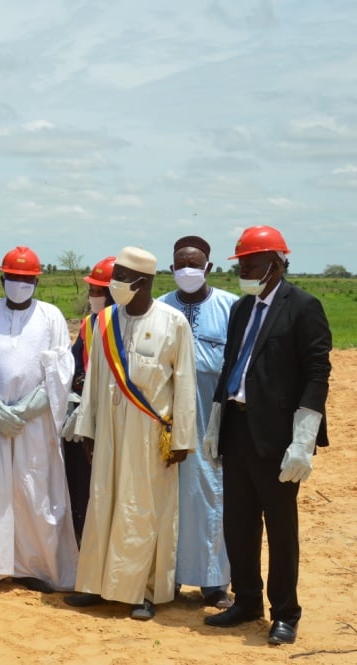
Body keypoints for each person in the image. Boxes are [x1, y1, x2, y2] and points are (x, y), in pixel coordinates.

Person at [202, 226, 331, 646]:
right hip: (238, 431)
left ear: (276, 263)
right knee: (237, 525)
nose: (244, 271)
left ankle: (285, 612)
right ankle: (247, 601)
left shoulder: (304, 307)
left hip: (278, 439)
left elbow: (316, 373)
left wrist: (304, 440)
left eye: (251, 264)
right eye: (241, 265)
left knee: (280, 528)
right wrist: (215, 421)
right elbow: (231, 369)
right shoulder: (241, 308)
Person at [64, 246, 197, 621]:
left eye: (122, 277)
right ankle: (94, 584)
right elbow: (93, 384)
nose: (115, 284)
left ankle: (142, 590)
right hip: (107, 430)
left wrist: (182, 438)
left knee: (142, 509)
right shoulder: (104, 321)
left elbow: (185, 383)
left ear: (144, 282)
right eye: (115, 276)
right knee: (102, 502)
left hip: (150, 435)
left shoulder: (173, 323)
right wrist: (87, 430)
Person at [0, 247, 78, 593]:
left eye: (27, 280)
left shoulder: (51, 317)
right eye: (13, 278)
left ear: (37, 282)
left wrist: (23, 412)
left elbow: (60, 372)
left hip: (34, 423)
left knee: (35, 493)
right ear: (1, 279)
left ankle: (36, 567)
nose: (19, 285)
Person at [157, 236, 236, 609]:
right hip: (169, 417)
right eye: (181, 264)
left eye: (195, 263)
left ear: (209, 268)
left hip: (213, 415)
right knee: (170, 497)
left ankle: (213, 581)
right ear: (172, 270)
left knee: (212, 496)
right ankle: (166, 578)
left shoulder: (230, 307)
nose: (188, 270)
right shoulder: (160, 308)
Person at [64, 255, 116, 544]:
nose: (93, 297)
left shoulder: (125, 326)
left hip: (114, 417)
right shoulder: (88, 324)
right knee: (80, 482)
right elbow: (76, 367)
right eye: (92, 291)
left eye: (99, 291)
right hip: (85, 416)